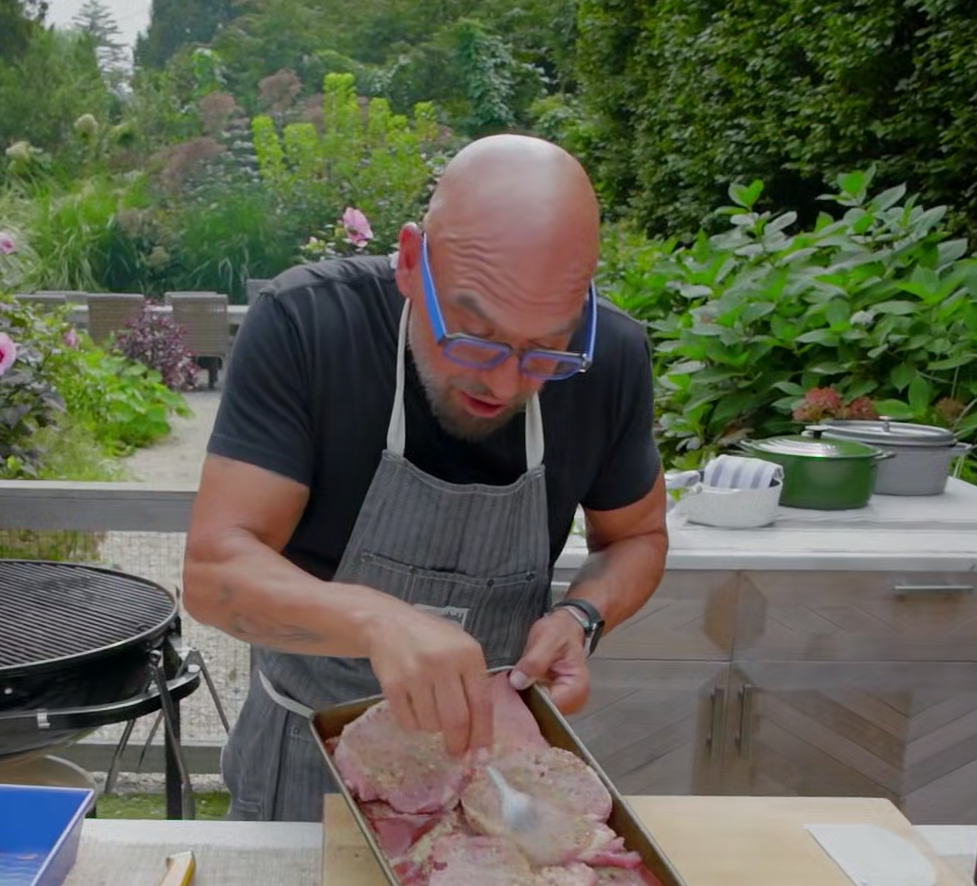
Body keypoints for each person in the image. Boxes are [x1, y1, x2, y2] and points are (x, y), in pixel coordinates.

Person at [180, 133, 669, 823]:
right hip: (307, 762)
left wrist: (581, 616)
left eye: (544, 352)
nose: (505, 383)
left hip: (497, 776)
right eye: (475, 337)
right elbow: (214, 573)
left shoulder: (609, 358)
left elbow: (638, 536)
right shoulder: (310, 327)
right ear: (412, 262)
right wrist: (377, 620)